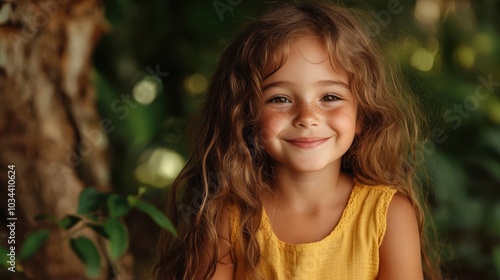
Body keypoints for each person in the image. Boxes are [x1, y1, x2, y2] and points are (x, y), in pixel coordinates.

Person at [154, 1, 440, 279]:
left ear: (363, 115)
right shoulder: (229, 218)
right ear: (247, 115)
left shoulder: (388, 216)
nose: (307, 116)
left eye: (330, 97)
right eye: (280, 99)